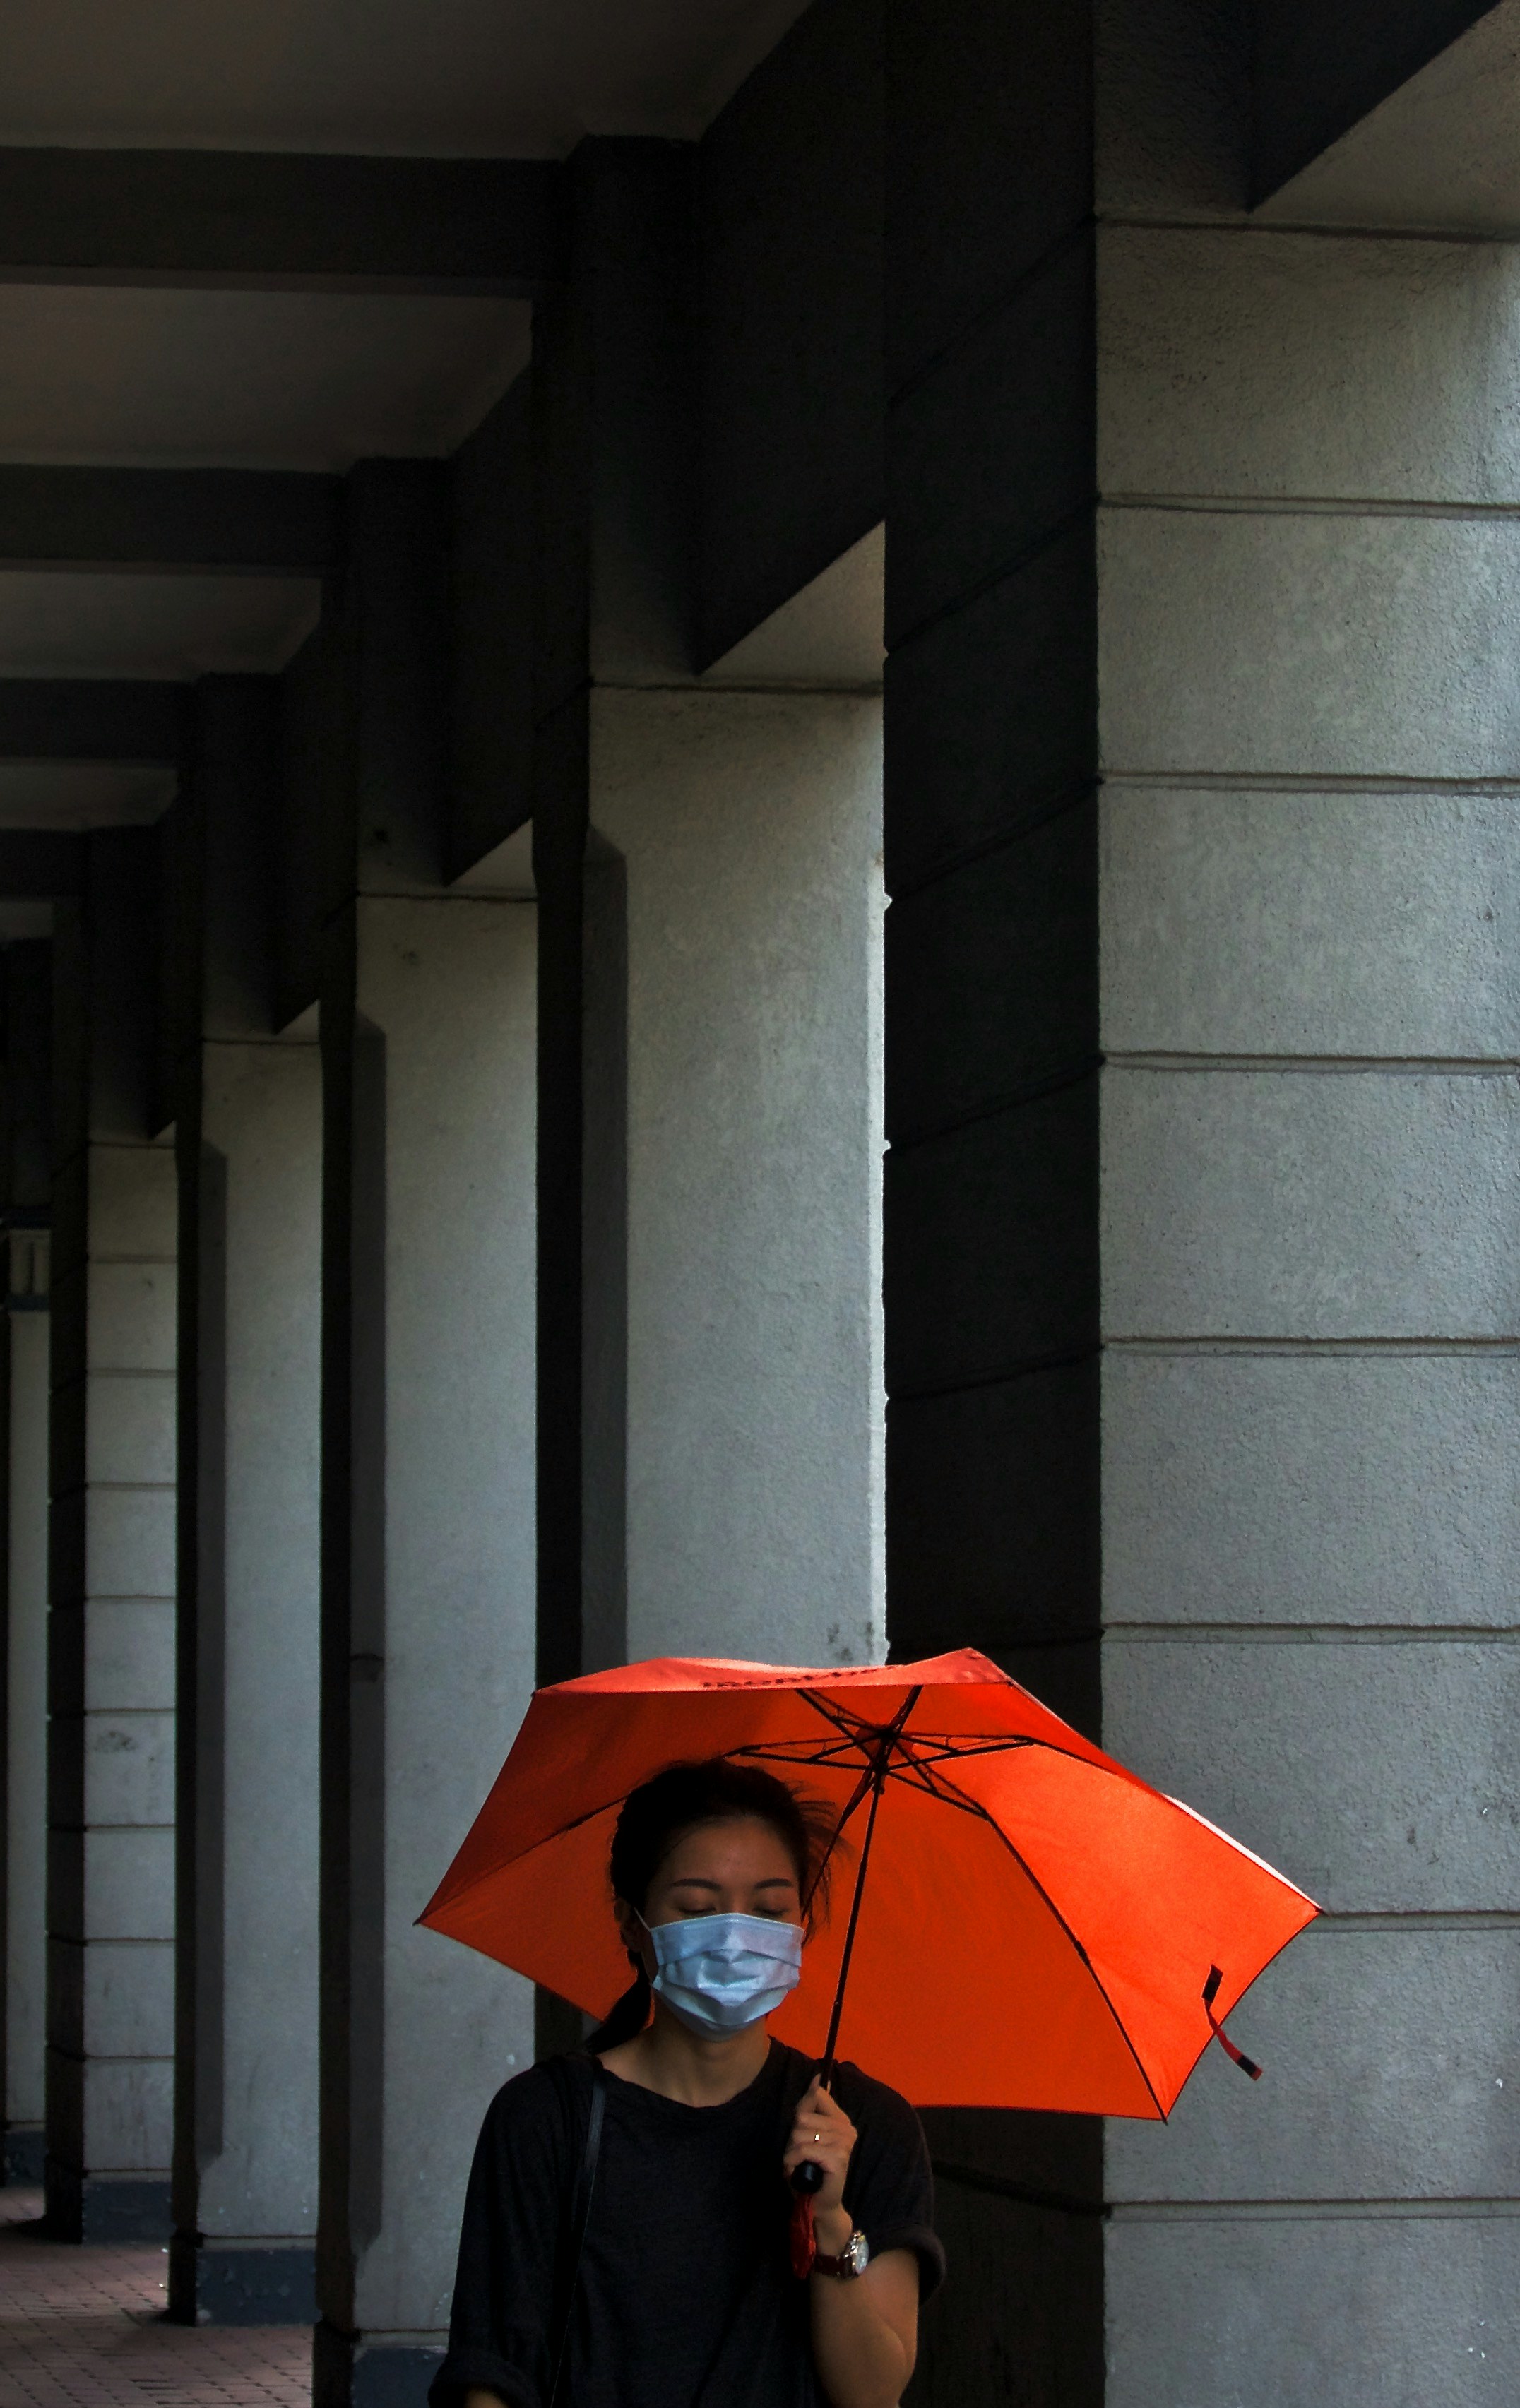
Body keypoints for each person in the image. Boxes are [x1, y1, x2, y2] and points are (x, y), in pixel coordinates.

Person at [431, 1757, 945, 2408]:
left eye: (768, 1908)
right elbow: (493, 2372)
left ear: (800, 1928)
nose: (733, 1938)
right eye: (699, 1907)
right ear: (631, 1921)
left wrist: (831, 2222)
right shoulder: (545, 2118)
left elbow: (872, 2393)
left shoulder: (866, 2126)